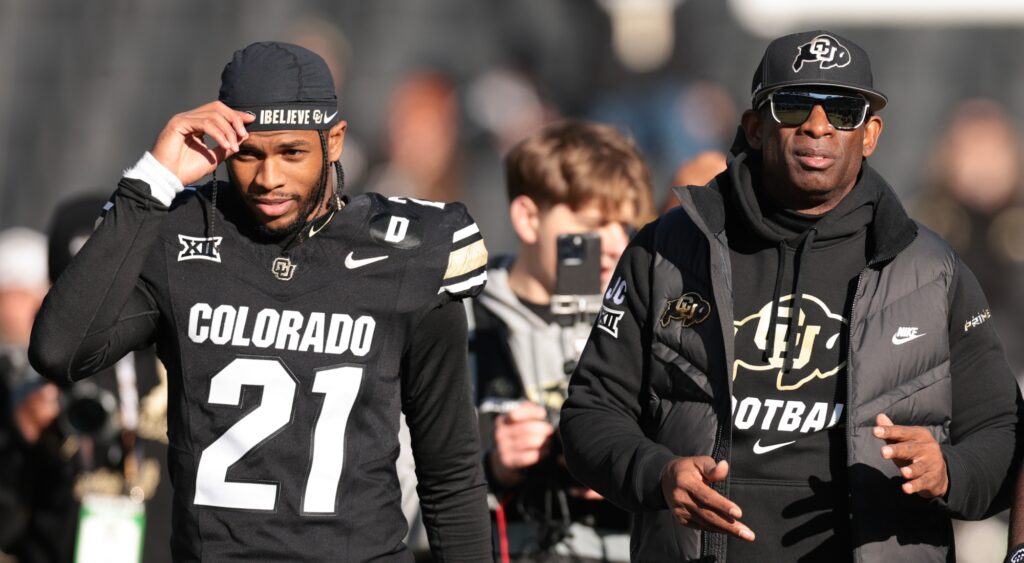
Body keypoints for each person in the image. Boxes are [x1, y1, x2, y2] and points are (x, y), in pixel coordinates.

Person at [560, 30, 1021, 562]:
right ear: (755, 128)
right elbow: (590, 413)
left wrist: (949, 472)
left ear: (871, 135)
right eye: (794, 105)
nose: (818, 126)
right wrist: (657, 474)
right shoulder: (663, 250)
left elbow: (1001, 429)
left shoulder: (932, 268)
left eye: (844, 111)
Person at [29, 41, 491, 561]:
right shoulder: (181, 235)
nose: (268, 179)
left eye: (292, 152)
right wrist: (151, 182)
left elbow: (449, 467)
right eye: (247, 154)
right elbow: (59, 352)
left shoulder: (407, 253)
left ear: (334, 141)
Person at [474, 120, 655, 561]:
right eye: (595, 224)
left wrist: (632, 464)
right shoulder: (457, 320)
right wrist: (496, 469)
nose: (616, 244)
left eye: (626, 225)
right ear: (528, 219)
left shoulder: (646, 320)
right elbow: (394, 503)